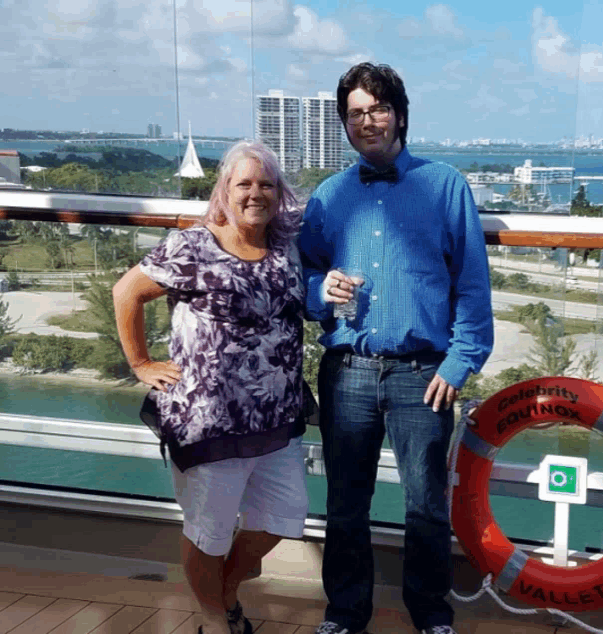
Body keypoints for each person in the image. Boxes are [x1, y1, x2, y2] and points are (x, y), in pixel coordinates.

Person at [298, 63, 494, 634]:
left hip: (424, 373)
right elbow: (303, 273)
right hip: (347, 371)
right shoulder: (330, 196)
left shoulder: (445, 185)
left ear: (400, 115)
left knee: (427, 507)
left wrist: (460, 361)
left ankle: (431, 615)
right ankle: (345, 615)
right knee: (345, 507)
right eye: (355, 113)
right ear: (345, 124)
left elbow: (473, 284)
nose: (368, 121)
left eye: (378, 109)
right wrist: (319, 290)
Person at [113, 141, 309, 634]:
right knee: (210, 529)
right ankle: (213, 616)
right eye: (243, 183)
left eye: (266, 184)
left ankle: (221, 592)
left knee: (283, 516)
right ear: (224, 190)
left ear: (279, 193)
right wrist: (140, 362)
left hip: (277, 415)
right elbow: (126, 292)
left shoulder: (285, 241)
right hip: (209, 419)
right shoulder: (193, 245)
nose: (255, 193)